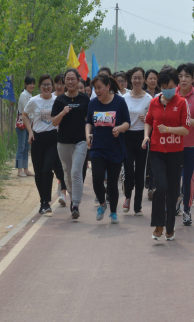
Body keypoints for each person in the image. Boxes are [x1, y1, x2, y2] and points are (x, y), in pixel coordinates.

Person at [144, 67, 190, 241]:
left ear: (176, 86)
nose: (167, 90)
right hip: (156, 151)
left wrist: (169, 129)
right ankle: (158, 224)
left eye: (171, 87)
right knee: (160, 187)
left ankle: (170, 227)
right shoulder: (154, 102)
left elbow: (185, 129)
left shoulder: (181, 103)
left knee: (172, 191)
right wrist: (146, 136)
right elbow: (149, 121)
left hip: (175, 152)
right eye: (164, 87)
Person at [86, 73, 131, 224]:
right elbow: (88, 122)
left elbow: (127, 123)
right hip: (97, 147)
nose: (97, 91)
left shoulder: (119, 102)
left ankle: (113, 212)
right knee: (97, 179)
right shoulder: (93, 103)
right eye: (95, 88)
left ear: (107, 86)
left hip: (115, 148)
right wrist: (87, 134)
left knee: (112, 183)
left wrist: (119, 129)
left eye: (99, 87)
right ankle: (102, 204)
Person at [51, 68, 90, 219]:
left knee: (76, 172)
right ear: (64, 82)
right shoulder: (60, 100)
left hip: (80, 142)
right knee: (68, 174)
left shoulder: (84, 99)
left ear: (78, 80)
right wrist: (62, 112)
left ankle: (76, 204)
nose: (70, 81)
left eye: (73, 79)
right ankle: (73, 199)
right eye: (68, 79)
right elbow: (54, 122)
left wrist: (89, 135)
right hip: (63, 142)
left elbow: (89, 120)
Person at [22, 74, 59, 214]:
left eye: (49, 84)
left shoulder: (57, 100)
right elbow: (24, 115)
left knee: (47, 169)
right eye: (44, 85)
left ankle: (47, 201)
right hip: (37, 139)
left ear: (52, 86)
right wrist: (30, 131)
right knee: (38, 171)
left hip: (53, 138)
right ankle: (43, 202)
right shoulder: (34, 101)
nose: (46, 87)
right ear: (39, 87)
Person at [176, 63, 194, 225]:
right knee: (173, 179)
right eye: (180, 76)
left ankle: (187, 211)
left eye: (187, 76)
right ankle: (175, 202)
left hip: (192, 146)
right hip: (173, 144)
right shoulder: (171, 95)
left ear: (192, 78)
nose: (183, 79)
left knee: (188, 180)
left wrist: (187, 120)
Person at [122, 67, 153, 216]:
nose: (137, 81)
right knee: (128, 171)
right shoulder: (124, 98)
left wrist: (147, 119)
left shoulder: (149, 99)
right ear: (130, 80)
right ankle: (127, 196)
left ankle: (137, 205)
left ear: (144, 80)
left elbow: (153, 119)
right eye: (135, 78)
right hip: (127, 137)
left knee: (140, 172)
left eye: (140, 78)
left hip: (142, 137)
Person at [52, 73, 68, 206]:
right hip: (49, 135)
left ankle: (63, 191)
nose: (59, 86)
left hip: (63, 136)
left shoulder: (68, 99)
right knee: (54, 164)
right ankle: (60, 180)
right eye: (57, 84)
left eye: (62, 84)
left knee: (61, 164)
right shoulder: (50, 98)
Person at [16, 76, 36, 177]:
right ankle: (20, 170)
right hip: (22, 124)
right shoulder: (24, 95)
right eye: (30, 84)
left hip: (29, 124)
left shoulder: (30, 95)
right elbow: (26, 111)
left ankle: (26, 169)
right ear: (25, 84)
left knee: (26, 147)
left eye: (33, 84)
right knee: (21, 146)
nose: (32, 86)